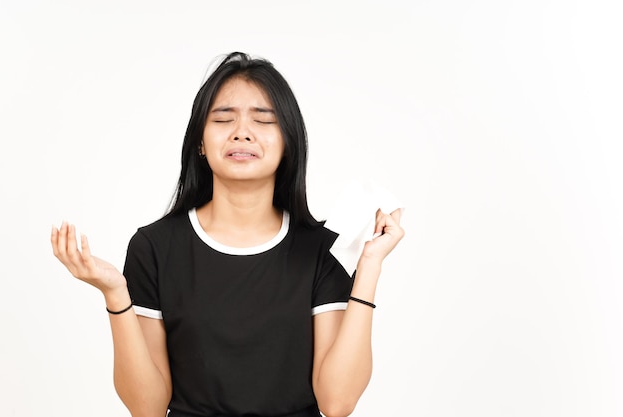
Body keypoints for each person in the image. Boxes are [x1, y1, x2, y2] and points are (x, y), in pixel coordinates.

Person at [51, 51, 404, 417]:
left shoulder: (319, 250)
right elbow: (147, 408)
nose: (242, 132)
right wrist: (115, 293)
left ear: (288, 144)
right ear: (200, 143)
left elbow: (337, 402)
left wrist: (369, 267)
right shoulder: (154, 248)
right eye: (223, 118)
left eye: (264, 120)